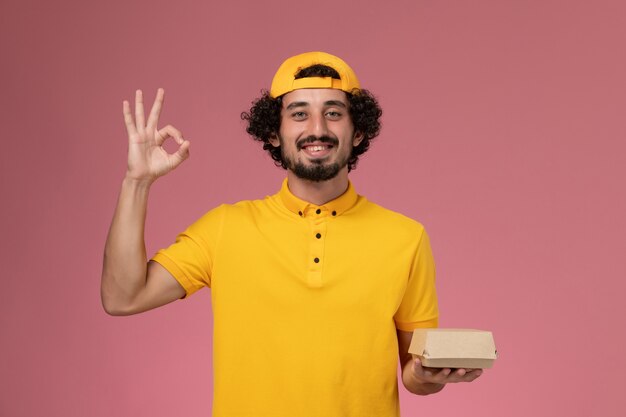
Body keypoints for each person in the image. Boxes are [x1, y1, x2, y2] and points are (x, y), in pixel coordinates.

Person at [101, 51, 482, 417]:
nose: (317, 129)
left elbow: (414, 373)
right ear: (273, 134)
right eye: (299, 114)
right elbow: (123, 297)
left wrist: (430, 375)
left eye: (333, 114)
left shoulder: (406, 237)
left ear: (359, 132)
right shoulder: (224, 229)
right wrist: (136, 182)